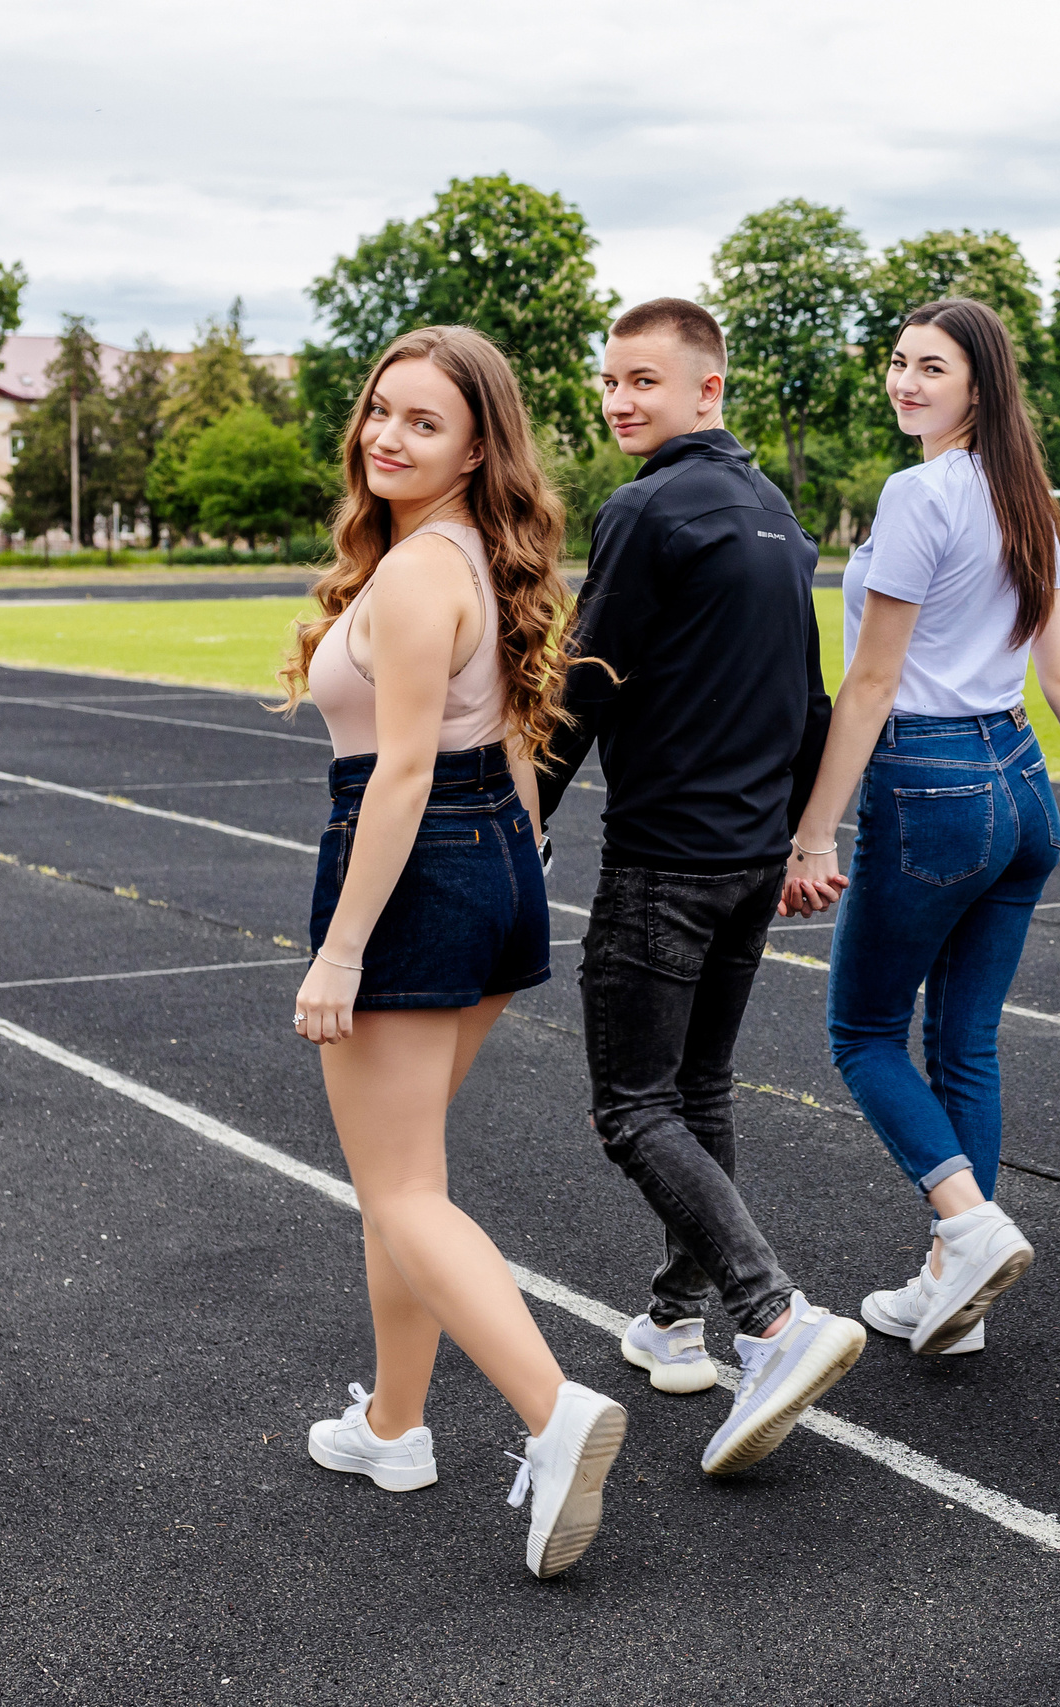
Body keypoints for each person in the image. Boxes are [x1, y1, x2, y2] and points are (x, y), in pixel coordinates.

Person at [282, 325, 626, 1579]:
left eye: (423, 423)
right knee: (404, 1178)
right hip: (487, 859)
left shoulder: (426, 572)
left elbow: (406, 770)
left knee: (402, 1194)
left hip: (417, 864)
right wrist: (514, 879)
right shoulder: (470, 556)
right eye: (381, 410)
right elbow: (513, 746)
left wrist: (340, 951)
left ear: (478, 446)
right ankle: (392, 1425)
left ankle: (554, 1411)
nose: (387, 435)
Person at [783, 297, 1060, 1357]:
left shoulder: (918, 495)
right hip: (1020, 781)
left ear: (979, 388)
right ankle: (957, 1296)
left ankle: (967, 1226)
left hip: (932, 780)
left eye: (931, 368)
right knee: (962, 1043)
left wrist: (816, 830)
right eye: (898, 363)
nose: (906, 382)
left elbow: (871, 680)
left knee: (860, 1033)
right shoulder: (1023, 497)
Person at [538, 297, 867, 1475]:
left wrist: (521, 813)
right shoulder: (774, 515)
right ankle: (678, 1316)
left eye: (644, 381)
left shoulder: (647, 507)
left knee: (632, 1108)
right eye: (611, 381)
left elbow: (587, 675)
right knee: (698, 1090)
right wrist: (803, 838)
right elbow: (812, 701)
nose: (621, 400)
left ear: (707, 391)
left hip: (667, 859)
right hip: (743, 860)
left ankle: (771, 1316)